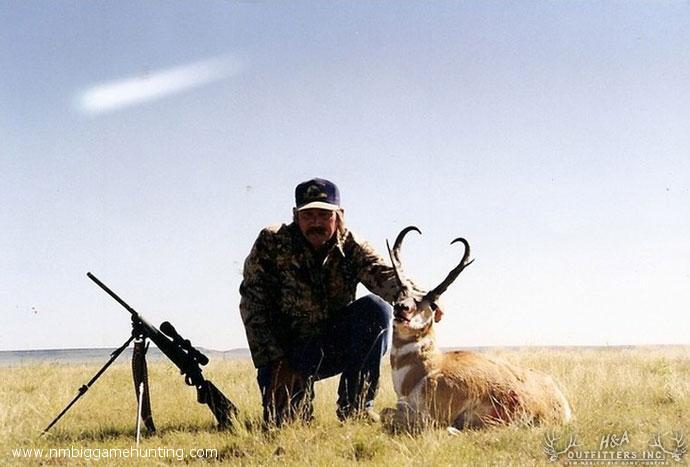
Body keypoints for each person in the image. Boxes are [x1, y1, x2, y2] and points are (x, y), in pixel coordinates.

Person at [239, 178, 439, 427]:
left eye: (324, 215)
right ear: (295, 215)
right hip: (285, 353)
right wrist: (275, 362)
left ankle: (355, 409)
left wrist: (421, 301)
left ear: (339, 214)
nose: (316, 222)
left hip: (331, 343)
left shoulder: (352, 244)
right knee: (287, 425)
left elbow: (385, 276)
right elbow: (252, 304)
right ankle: (288, 400)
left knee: (376, 310)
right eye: (308, 215)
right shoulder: (272, 241)